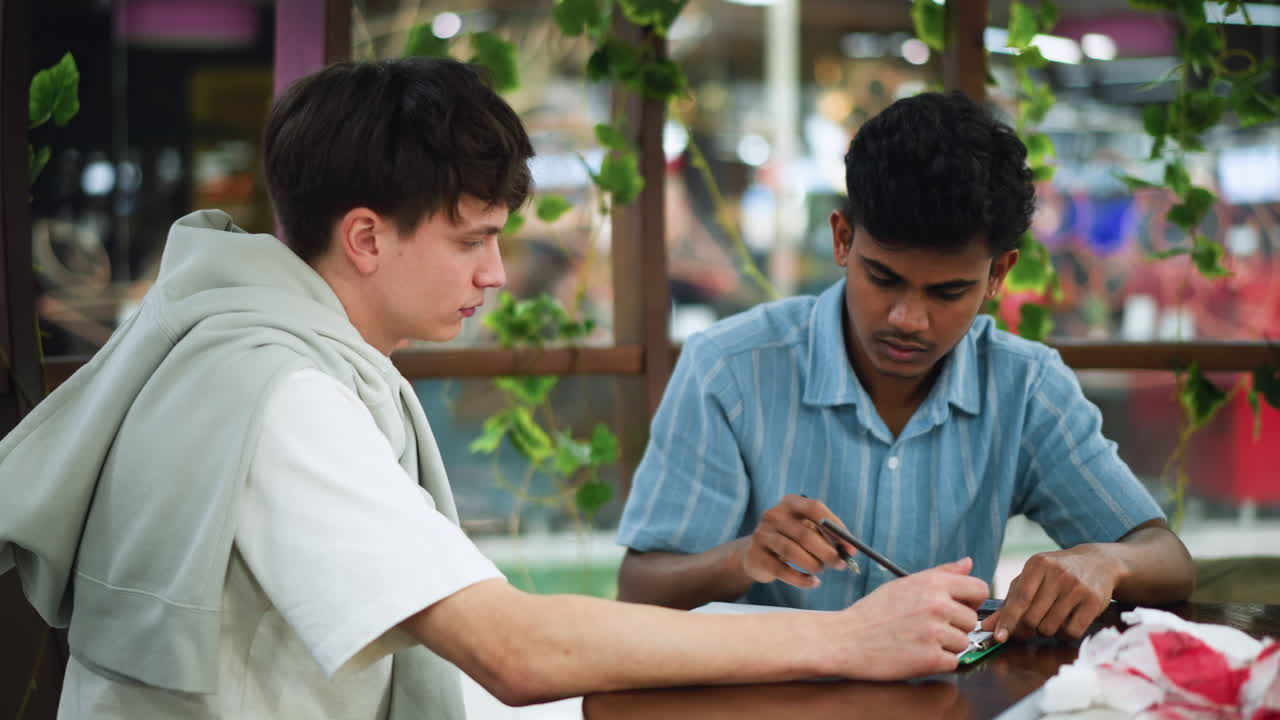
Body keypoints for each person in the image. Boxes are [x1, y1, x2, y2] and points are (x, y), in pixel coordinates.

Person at [0, 59, 995, 720]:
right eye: (471, 239)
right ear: (365, 237)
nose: (493, 275)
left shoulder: (243, 338)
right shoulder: (280, 392)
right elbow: (509, 648)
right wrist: (845, 634)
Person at [615, 91, 1196, 644]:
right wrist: (744, 558)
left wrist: (1105, 560)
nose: (908, 319)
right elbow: (639, 589)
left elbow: (1166, 559)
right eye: (883, 278)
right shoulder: (728, 370)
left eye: (948, 292)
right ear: (842, 240)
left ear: (998, 276)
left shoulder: (1025, 386)